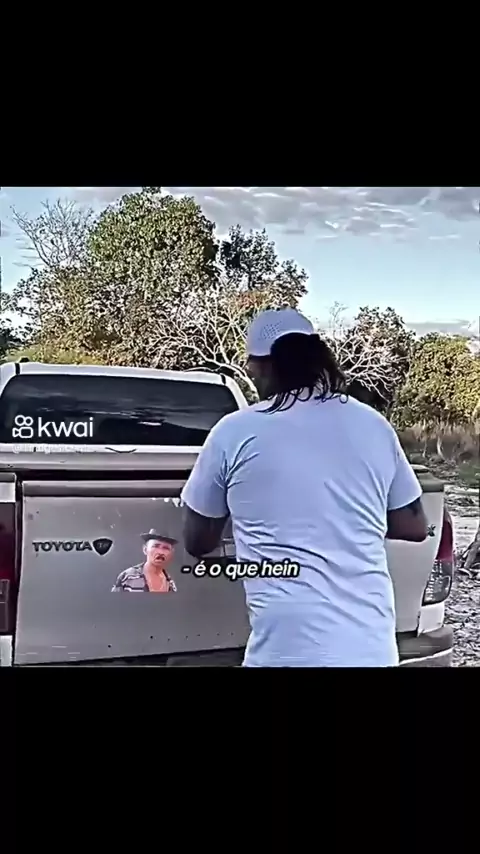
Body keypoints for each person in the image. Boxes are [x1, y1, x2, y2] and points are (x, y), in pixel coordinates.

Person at [181, 307, 428, 667]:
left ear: (263, 366)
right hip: (372, 650)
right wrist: (347, 517)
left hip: (284, 652)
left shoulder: (234, 432)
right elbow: (414, 525)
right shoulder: (373, 425)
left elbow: (198, 541)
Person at [112, 530, 178, 593]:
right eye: (155, 546)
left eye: (166, 548)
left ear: (171, 553)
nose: (160, 552)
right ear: (145, 550)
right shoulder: (127, 577)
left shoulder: (171, 584)